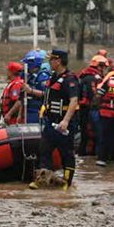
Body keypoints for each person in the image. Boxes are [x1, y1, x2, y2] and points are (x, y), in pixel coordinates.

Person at [29, 49, 80, 191]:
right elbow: (46, 95)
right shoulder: (52, 78)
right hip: (51, 121)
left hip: (65, 123)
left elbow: (74, 100)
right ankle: (42, 180)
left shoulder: (70, 79)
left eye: (51, 60)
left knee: (67, 153)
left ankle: (67, 182)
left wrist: (66, 121)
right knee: (44, 149)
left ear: (58, 61)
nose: (49, 62)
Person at [76, 55, 109, 156]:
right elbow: (94, 95)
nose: (104, 69)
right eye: (103, 67)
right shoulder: (92, 78)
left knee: (86, 133)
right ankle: (87, 155)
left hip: (85, 109)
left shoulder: (86, 75)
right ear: (99, 66)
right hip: (88, 109)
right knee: (89, 134)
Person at [22, 51, 50, 124]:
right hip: (28, 109)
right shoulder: (29, 76)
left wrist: (31, 91)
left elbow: (46, 94)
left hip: (37, 110)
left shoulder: (43, 77)